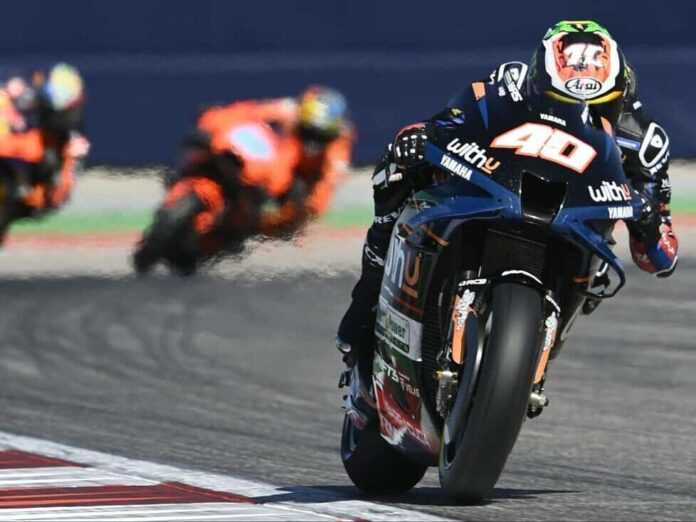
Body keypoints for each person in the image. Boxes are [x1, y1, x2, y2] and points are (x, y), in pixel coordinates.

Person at [336, 20, 679, 369]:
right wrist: (422, 137)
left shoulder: (645, 142)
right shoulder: (508, 85)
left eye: (600, 107)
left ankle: (526, 358)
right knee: (400, 163)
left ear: (622, 93)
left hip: (579, 238)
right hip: (501, 196)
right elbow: (448, 122)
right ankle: (368, 297)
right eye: (563, 101)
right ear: (538, 83)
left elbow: (661, 258)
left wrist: (650, 221)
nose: (581, 117)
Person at [190, 85, 354, 237]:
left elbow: (331, 178)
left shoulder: (338, 142)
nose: (312, 142)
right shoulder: (288, 110)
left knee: (297, 215)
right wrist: (213, 118)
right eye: (308, 132)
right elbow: (249, 112)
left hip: (291, 185)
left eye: (319, 136)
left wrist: (307, 204)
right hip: (253, 163)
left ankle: (243, 228)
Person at [0, 63, 89, 240]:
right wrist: (9, 94)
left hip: (33, 196)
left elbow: (57, 196)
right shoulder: (31, 98)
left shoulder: (69, 147)